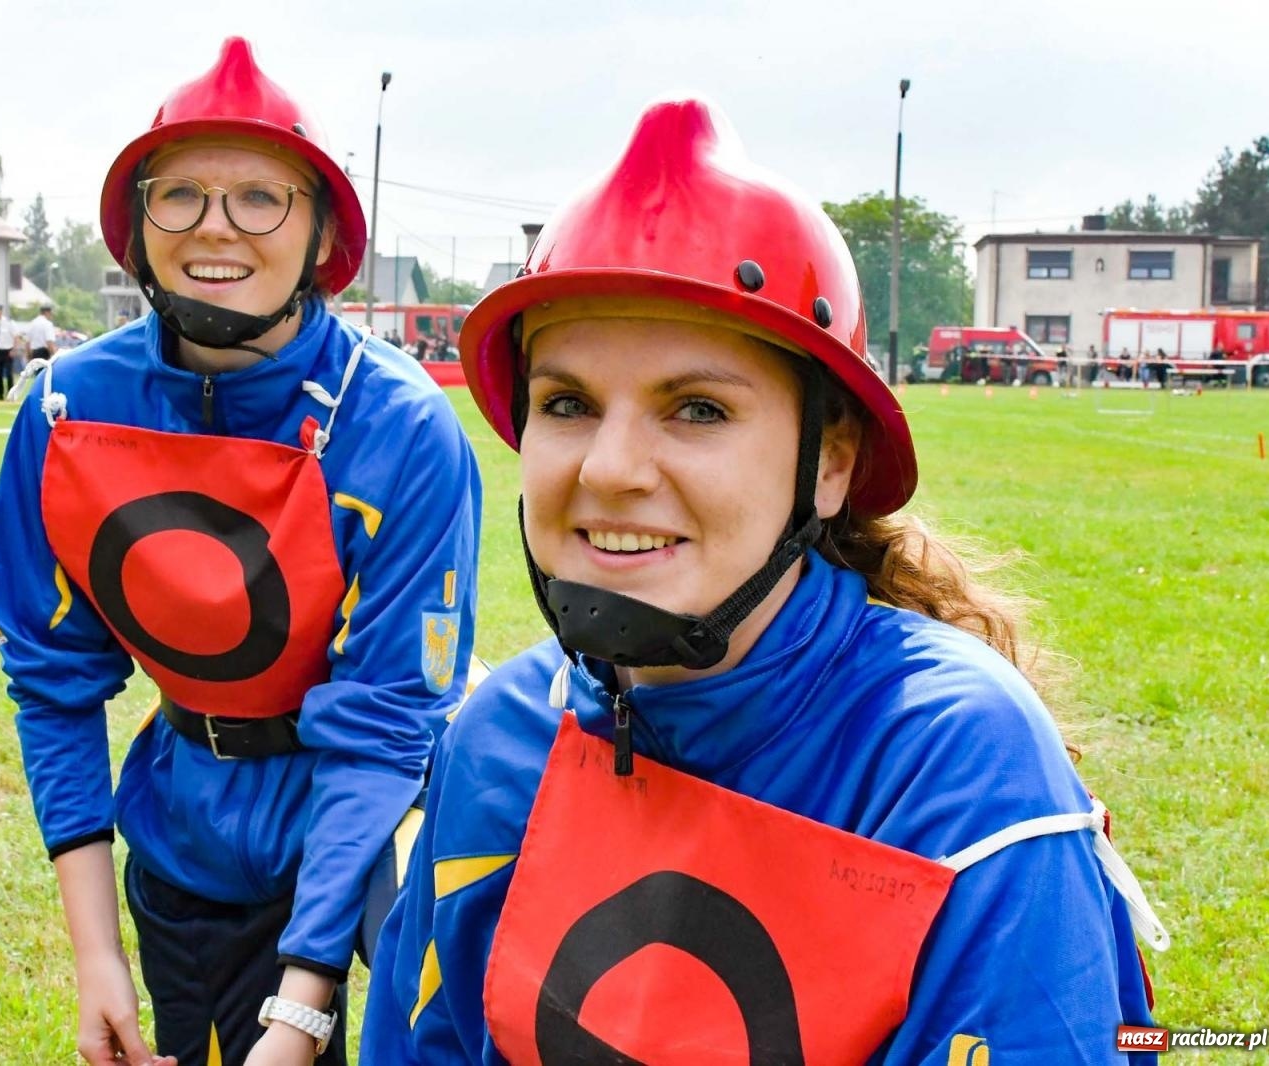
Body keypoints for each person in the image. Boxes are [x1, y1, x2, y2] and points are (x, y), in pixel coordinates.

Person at [362, 99, 1165, 1065]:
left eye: (696, 408)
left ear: (827, 464)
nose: (610, 468)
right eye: (567, 402)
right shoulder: (500, 732)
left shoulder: (953, 765)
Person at [0, 37, 481, 1066]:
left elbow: (386, 725)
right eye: (181, 196)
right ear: (137, 222)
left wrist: (300, 1012)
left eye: (260, 197)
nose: (216, 226)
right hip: (183, 841)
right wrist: (94, 956)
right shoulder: (67, 409)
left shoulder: (398, 426)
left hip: (374, 849)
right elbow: (54, 682)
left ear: (321, 232)